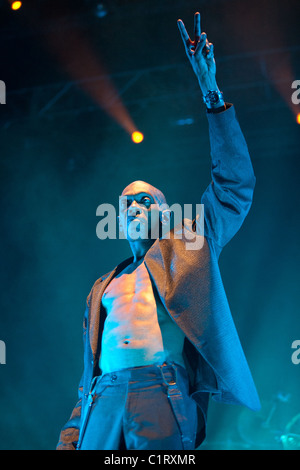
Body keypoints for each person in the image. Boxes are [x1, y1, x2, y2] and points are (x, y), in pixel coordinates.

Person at [56, 12, 260, 451]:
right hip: (102, 399)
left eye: (147, 199)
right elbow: (86, 374)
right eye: (128, 200)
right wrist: (71, 436)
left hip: (161, 391)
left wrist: (212, 93)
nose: (135, 205)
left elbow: (234, 186)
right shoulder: (102, 287)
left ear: (167, 213)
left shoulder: (189, 246)